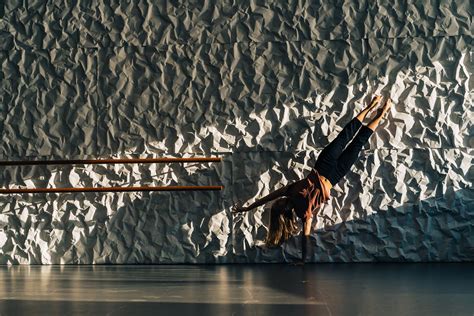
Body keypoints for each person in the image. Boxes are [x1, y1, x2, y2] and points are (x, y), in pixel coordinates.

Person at [232, 95, 393, 263]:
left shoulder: (289, 191)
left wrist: (247, 208)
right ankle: (381, 113)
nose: (278, 201)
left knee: (345, 136)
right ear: (284, 213)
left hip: (323, 165)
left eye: (277, 202)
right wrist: (304, 259)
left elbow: (267, 197)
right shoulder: (304, 214)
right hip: (336, 175)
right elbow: (305, 236)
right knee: (358, 143)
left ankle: (370, 107)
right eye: (279, 205)